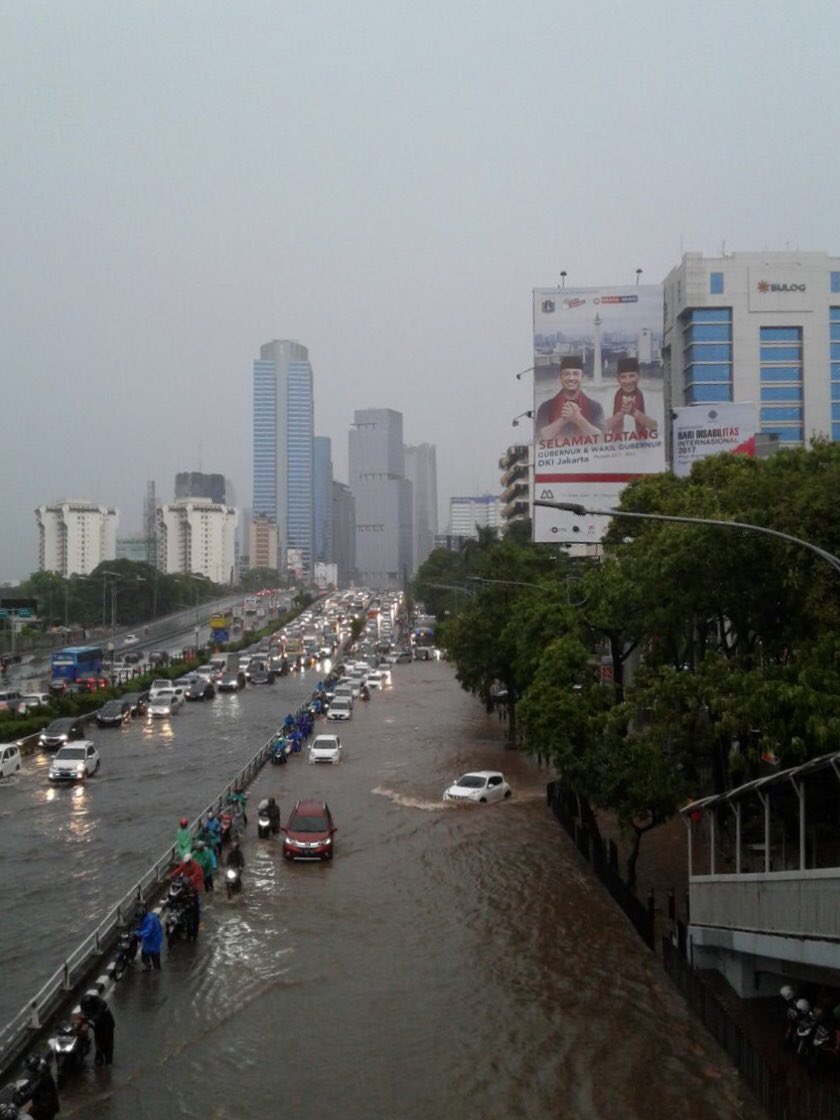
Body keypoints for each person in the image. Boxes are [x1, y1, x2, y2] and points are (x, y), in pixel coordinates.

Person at [535, 355, 605, 441]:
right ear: (560, 378)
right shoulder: (545, 407)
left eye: (575, 374)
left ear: (582, 377)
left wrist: (578, 418)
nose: (571, 378)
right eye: (566, 374)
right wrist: (564, 419)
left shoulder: (595, 407)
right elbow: (540, 438)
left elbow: (601, 439)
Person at [605, 357, 657, 437]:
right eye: (623, 377)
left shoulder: (649, 395)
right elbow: (599, 430)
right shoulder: (608, 395)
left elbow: (655, 426)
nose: (628, 381)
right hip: (616, 446)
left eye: (631, 376)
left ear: (638, 376)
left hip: (642, 446)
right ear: (618, 379)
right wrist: (621, 413)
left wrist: (634, 412)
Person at [16, 1054, 59, 1120]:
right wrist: (21, 1088)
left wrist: (17, 1102)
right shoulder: (41, 1071)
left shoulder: (41, 1075)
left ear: (31, 1067)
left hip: (44, 1107)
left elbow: (31, 1091)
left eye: (28, 1068)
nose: (28, 1070)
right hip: (46, 1103)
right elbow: (31, 1083)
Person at [79, 994, 115, 1067]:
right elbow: (85, 1014)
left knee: (108, 1041)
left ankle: (108, 1060)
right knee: (98, 1040)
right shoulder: (87, 1005)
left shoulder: (101, 1005)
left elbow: (97, 1015)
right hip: (97, 1026)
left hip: (107, 1024)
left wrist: (89, 1023)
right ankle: (99, 1057)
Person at [135, 904, 163, 971]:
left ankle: (156, 970)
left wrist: (138, 933)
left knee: (154, 955)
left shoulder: (149, 919)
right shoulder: (147, 917)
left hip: (154, 939)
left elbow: (147, 931)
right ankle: (148, 966)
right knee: (145, 954)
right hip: (148, 940)